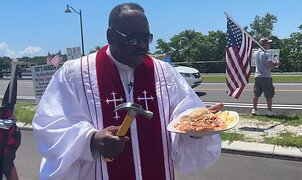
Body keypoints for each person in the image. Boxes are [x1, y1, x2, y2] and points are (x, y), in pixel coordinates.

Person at [32, 3, 222, 179]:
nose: (142, 45)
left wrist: (197, 127)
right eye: (132, 38)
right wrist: (91, 140)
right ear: (110, 35)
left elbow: (184, 115)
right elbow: (50, 126)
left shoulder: (165, 73)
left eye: (146, 38)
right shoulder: (75, 74)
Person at [252, 37, 279, 116]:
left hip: (257, 76)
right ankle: (269, 111)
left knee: (256, 94)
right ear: (263, 44)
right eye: (268, 43)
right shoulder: (266, 54)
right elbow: (270, 65)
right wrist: (276, 63)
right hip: (266, 77)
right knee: (269, 95)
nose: (269, 45)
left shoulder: (255, 53)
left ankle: (254, 109)